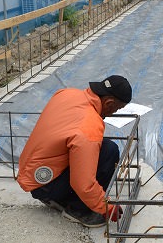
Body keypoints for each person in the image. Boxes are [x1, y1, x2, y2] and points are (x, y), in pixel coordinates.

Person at [17, 75, 132, 228]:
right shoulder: (88, 125)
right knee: (109, 152)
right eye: (117, 109)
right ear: (109, 102)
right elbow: (83, 183)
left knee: (99, 147)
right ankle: (79, 210)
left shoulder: (67, 93)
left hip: (34, 173)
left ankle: (59, 198)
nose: (114, 113)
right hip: (45, 186)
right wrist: (106, 207)